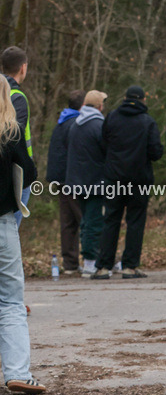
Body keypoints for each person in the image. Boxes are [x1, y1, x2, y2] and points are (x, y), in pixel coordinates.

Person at [0, 77, 45, 394]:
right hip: (2, 224)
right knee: (11, 301)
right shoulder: (10, 132)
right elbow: (29, 173)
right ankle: (17, 372)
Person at [93, 86, 164, 280]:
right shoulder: (147, 122)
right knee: (135, 222)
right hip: (139, 179)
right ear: (143, 100)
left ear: (125, 98)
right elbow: (156, 152)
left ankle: (103, 266)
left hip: (114, 178)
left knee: (110, 220)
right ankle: (129, 266)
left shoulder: (112, 118)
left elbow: (103, 144)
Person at [65, 90, 107, 277]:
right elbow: (105, 152)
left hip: (78, 181)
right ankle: (91, 262)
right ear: (99, 106)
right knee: (94, 223)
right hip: (95, 182)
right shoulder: (98, 125)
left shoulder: (76, 124)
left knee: (85, 223)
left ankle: (92, 259)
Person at [46, 90, 86, 273]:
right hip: (73, 178)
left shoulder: (62, 122)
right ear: (82, 105)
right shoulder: (77, 124)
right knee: (85, 218)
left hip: (60, 179)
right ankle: (94, 258)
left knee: (68, 222)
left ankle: (70, 263)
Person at [2, 46, 31, 226]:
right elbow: (13, 138)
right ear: (23, 68)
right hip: (15, 174)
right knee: (10, 231)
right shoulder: (17, 96)